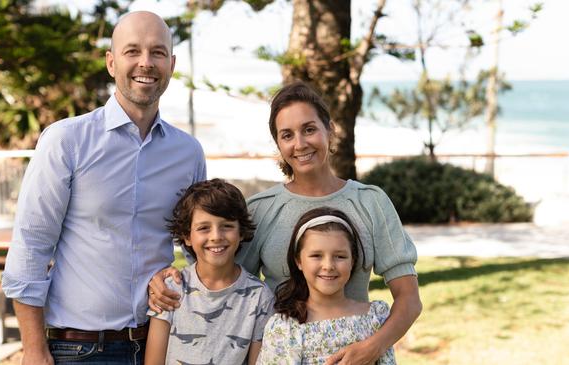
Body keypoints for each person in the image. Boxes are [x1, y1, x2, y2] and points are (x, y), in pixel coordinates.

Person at [150, 81, 420, 365]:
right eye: (287, 135)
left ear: (330, 130)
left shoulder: (371, 202)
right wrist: (167, 279)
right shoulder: (262, 210)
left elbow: (409, 300)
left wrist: (372, 347)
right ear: (278, 144)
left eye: (309, 129)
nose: (300, 144)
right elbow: (219, 277)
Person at [1, 11, 206, 365]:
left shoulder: (188, 153)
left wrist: (176, 275)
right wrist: (33, 349)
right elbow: (31, 246)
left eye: (157, 52)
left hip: (160, 344)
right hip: (77, 350)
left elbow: (199, 249)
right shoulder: (67, 140)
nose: (146, 63)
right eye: (132, 51)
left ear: (171, 64)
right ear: (111, 62)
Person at [144, 179, 274, 365]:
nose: (216, 237)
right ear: (187, 236)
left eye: (227, 226)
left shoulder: (260, 297)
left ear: (241, 232)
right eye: (204, 228)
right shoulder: (170, 290)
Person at [257, 207, 395, 364]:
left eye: (340, 256)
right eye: (316, 255)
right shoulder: (285, 328)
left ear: (353, 261)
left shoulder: (375, 317)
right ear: (299, 261)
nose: (328, 266)